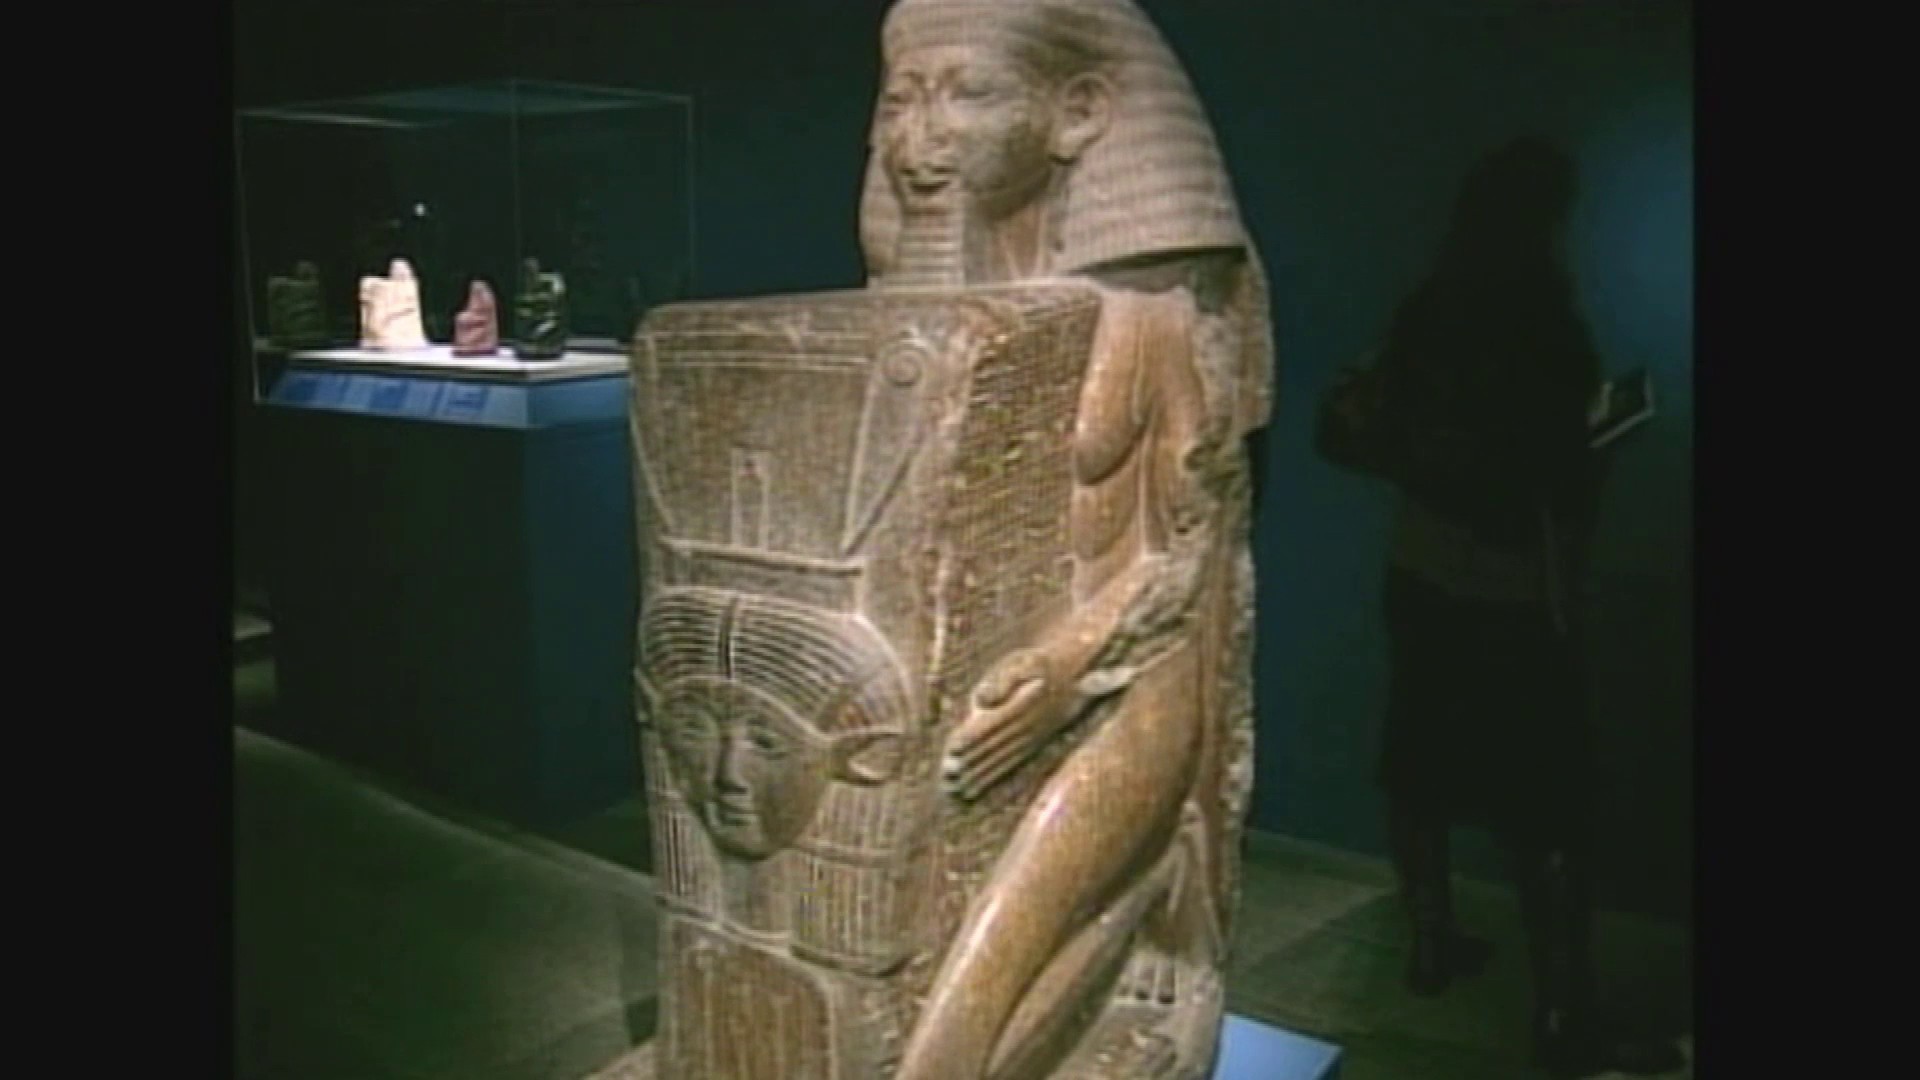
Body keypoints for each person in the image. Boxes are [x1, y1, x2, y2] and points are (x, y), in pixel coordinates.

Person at [859, 0, 1273, 1075]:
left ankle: (1154, 903)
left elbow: (1192, 555)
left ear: (1080, 113)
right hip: (945, 692)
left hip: (1121, 694)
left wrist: (1067, 666)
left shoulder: (1152, 320)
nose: (919, 142)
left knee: (952, 1029)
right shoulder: (905, 335)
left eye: (967, 94)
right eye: (900, 102)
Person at [1316, 136, 1683, 1078]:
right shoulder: (1543, 321)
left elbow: (1381, 416)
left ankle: (1431, 944)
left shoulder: (1431, 305)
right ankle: (1564, 1020)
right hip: (1514, 590)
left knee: (1418, 758)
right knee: (1549, 802)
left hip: (1421, 571)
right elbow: (1550, 463)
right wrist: (1599, 437)